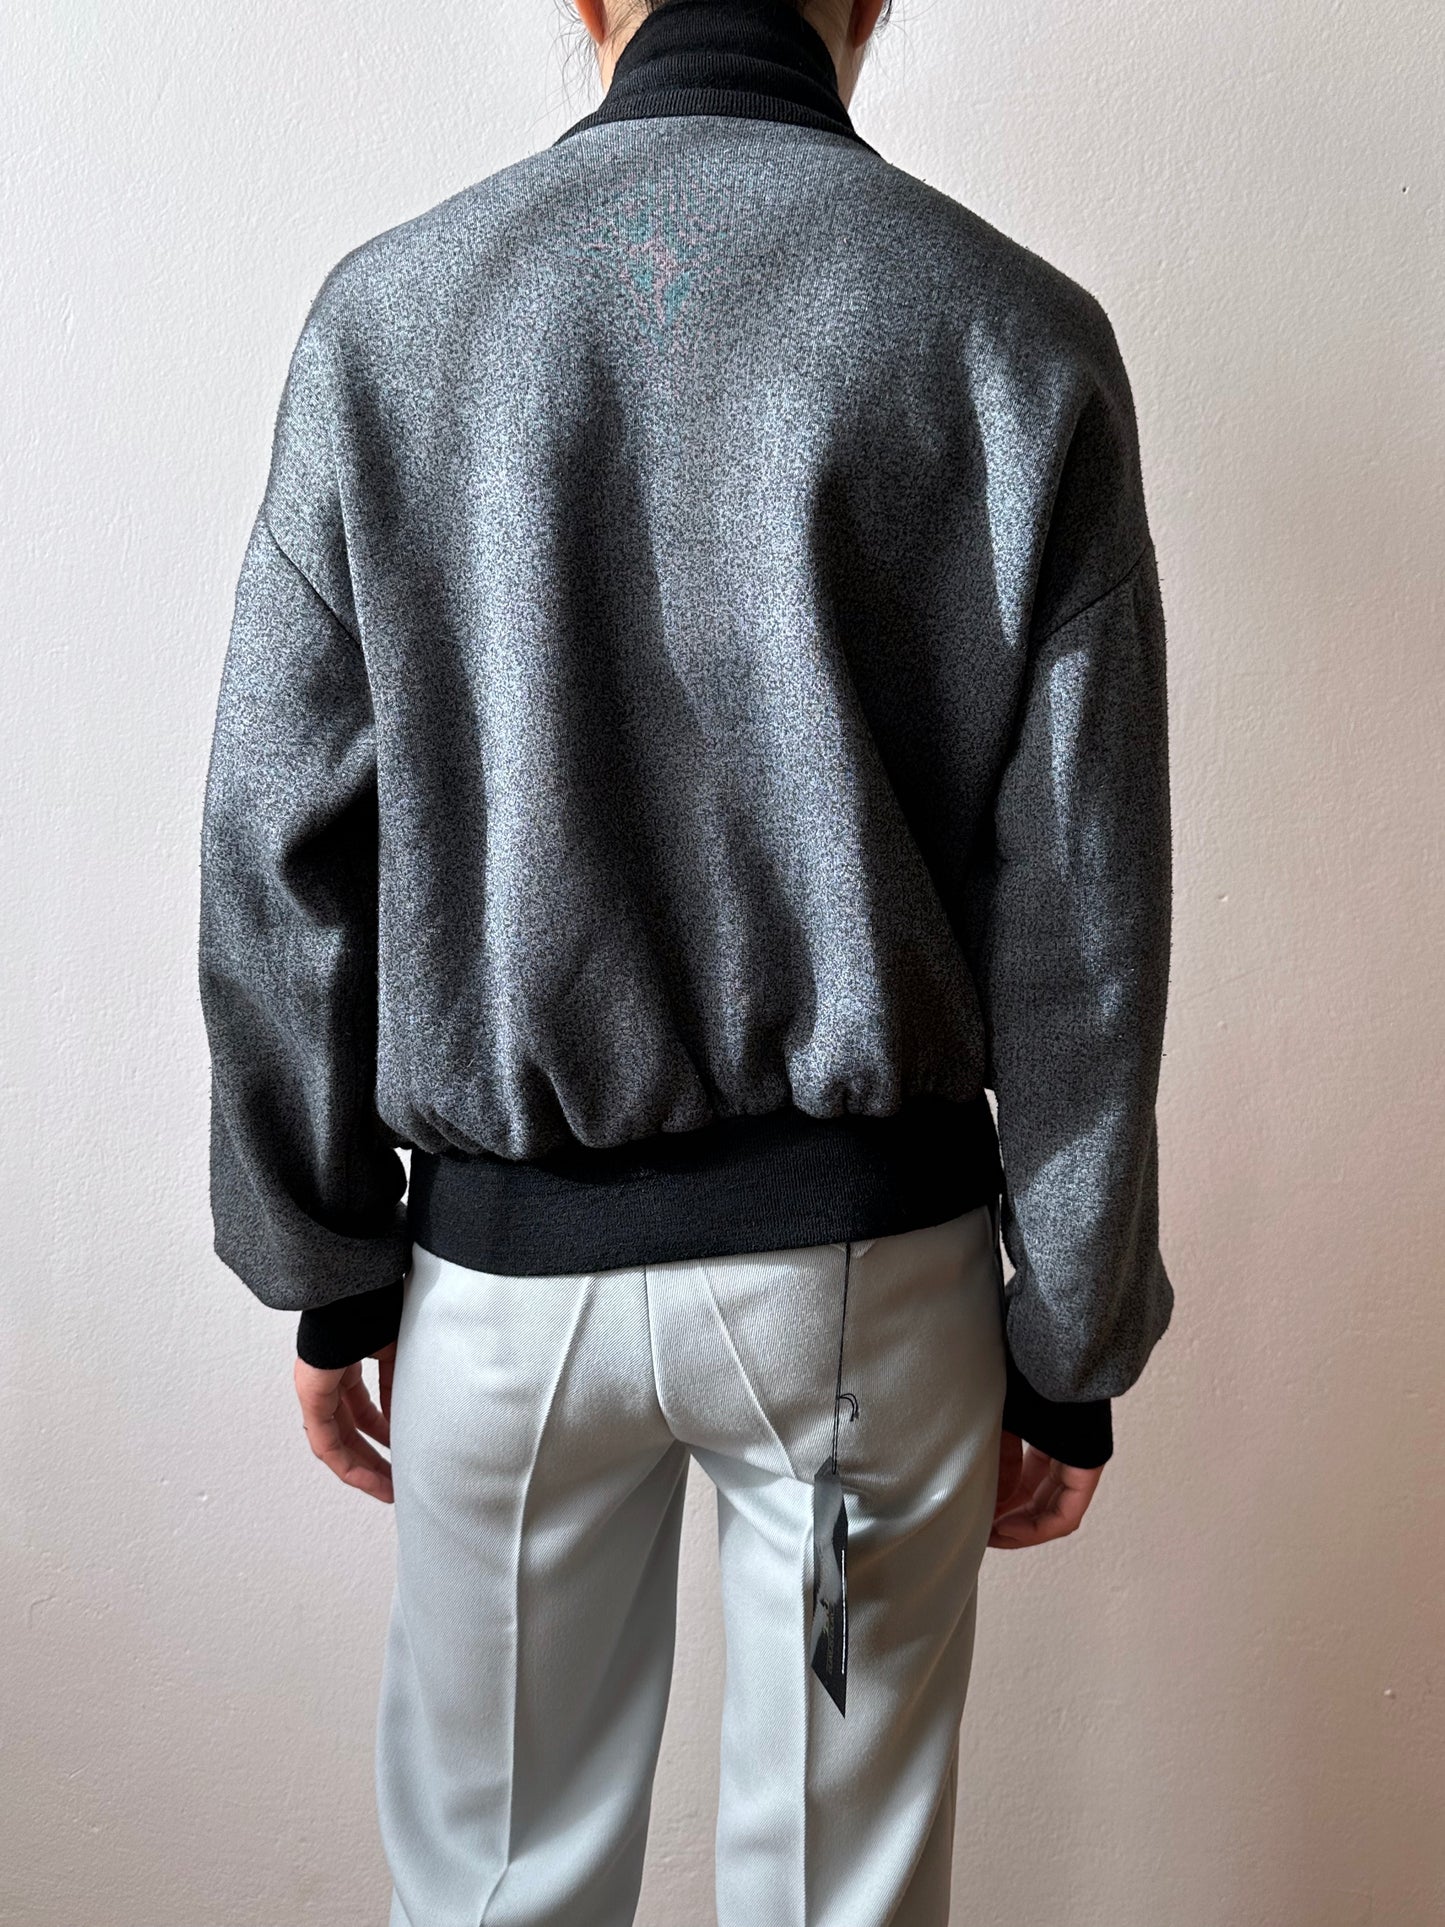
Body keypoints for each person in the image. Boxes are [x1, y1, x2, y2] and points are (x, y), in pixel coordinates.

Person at [197, 0, 1174, 1919]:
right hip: (856, 1321)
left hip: (503, 1305)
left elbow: (274, 841)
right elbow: (1084, 917)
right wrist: (1067, 1344)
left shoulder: (393, 321)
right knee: (831, 1888)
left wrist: (322, 1261)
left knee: (493, 1891)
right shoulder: (1009, 333)